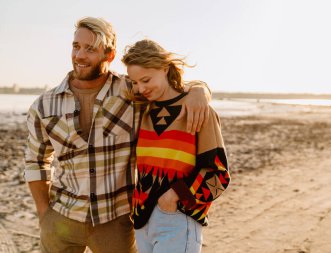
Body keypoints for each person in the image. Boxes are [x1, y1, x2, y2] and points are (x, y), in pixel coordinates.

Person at [24, 17, 211, 253]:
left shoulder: (132, 92)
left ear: (109, 55)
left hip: (116, 221)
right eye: (76, 46)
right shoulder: (43, 105)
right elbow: (35, 161)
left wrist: (199, 90)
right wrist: (44, 214)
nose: (80, 55)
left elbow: (168, 90)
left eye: (90, 49)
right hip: (61, 219)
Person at [121, 39, 230, 253]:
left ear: (164, 67)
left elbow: (218, 175)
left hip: (177, 218)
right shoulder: (141, 110)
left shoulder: (198, 111)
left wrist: (174, 197)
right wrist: (199, 87)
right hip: (141, 222)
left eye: (146, 79)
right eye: (134, 82)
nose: (141, 88)